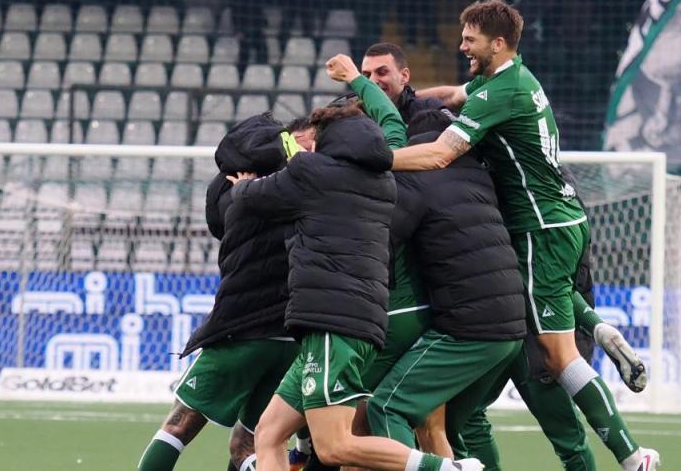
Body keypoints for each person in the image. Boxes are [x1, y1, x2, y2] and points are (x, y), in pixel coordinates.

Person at [391, 0, 659, 471]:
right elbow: (453, 94)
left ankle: (632, 456)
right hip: (558, 223)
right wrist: (404, 99)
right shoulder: (508, 80)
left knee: (557, 356)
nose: (462, 46)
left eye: (470, 39)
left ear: (497, 43)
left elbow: (438, 155)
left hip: (540, 230)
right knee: (533, 336)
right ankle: (596, 324)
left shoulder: (502, 93)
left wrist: (369, 157)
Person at [236, 105, 477, 471]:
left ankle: (444, 469)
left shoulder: (311, 171)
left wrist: (241, 187)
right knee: (269, 433)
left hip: (332, 322)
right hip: (356, 322)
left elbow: (256, 199)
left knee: (334, 447)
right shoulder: (380, 181)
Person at [135, 114, 296, 471]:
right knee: (249, 443)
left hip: (240, 331)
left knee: (178, 425)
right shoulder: (302, 190)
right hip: (291, 335)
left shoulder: (231, 197)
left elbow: (219, 223)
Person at [366, 109, 526, 457]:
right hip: (514, 328)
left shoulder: (418, 177)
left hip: (470, 328)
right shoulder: (480, 176)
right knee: (454, 425)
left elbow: (385, 243)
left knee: (388, 408)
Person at [326, 43, 445, 124]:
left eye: (382, 72)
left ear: (404, 76)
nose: (372, 81)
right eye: (366, 76)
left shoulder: (429, 109)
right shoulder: (342, 112)